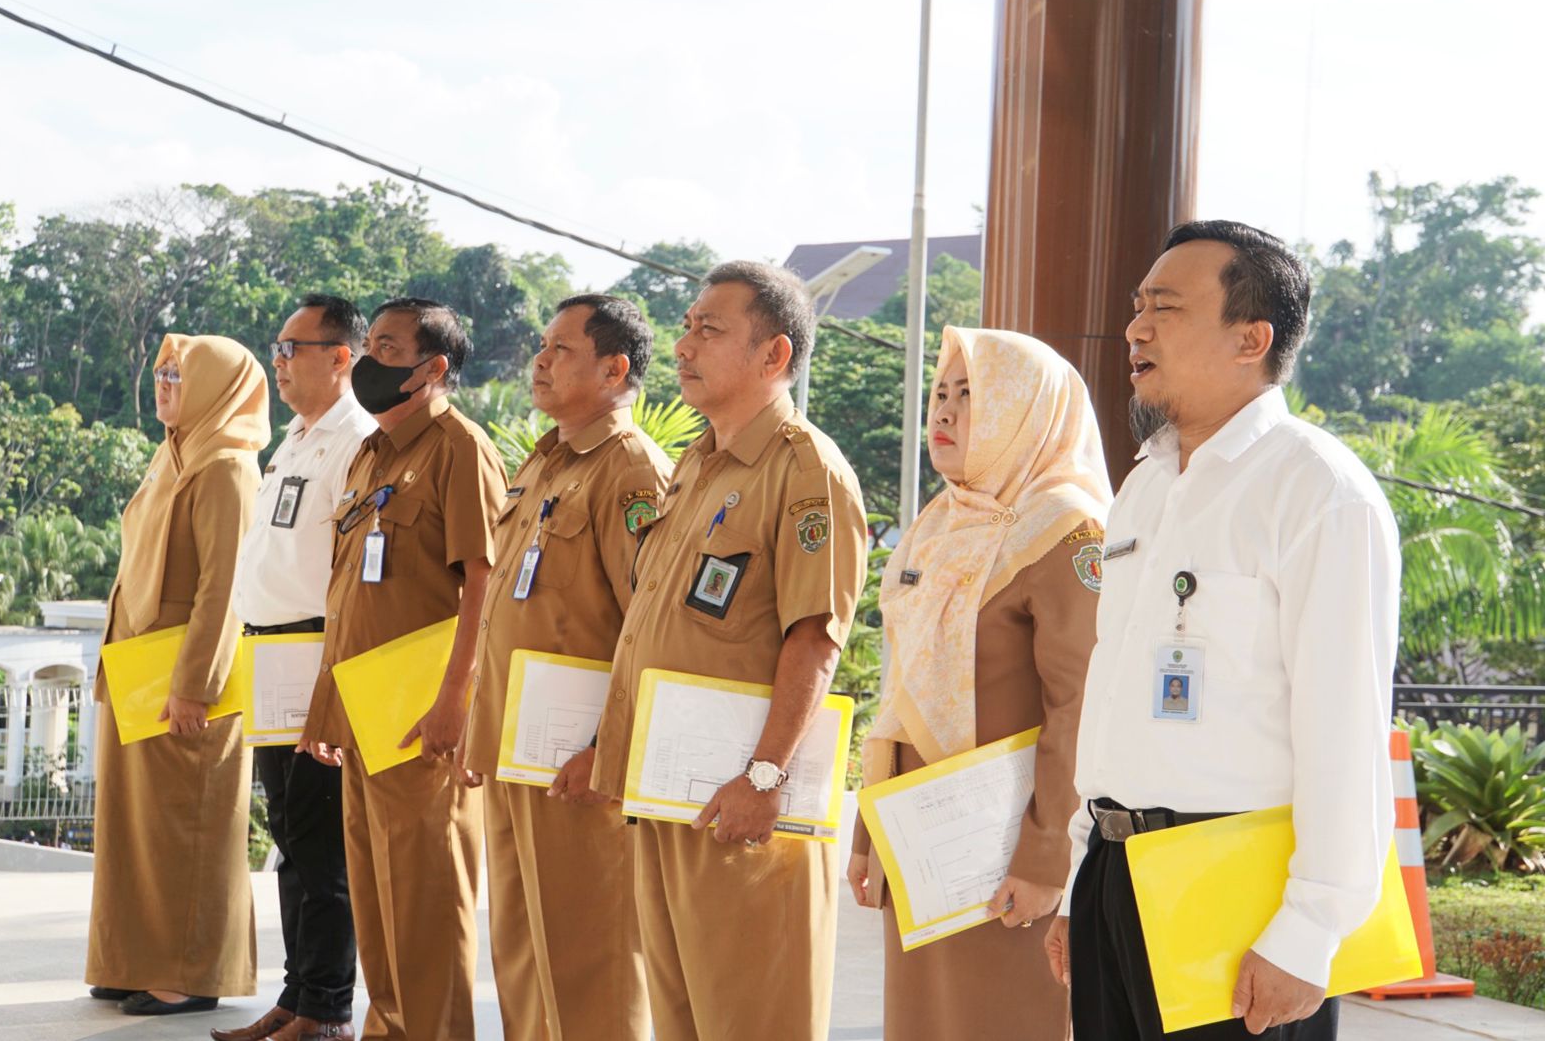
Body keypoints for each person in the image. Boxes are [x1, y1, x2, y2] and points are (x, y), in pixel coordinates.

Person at [1045, 221, 1401, 1039]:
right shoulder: (1142, 490)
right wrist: (1078, 883)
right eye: (1137, 308)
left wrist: (1308, 933)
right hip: (1113, 876)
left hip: (1238, 899)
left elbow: (1344, 733)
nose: (1135, 329)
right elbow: (1111, 700)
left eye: (1164, 308)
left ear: (1252, 338)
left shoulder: (1316, 490)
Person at [588, 261, 868, 1040]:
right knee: (682, 1017)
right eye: (686, 326)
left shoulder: (805, 468)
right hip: (668, 793)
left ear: (773, 356)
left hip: (741, 800)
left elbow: (815, 638)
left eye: (709, 330)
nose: (683, 345)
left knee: (751, 1018)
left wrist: (765, 775)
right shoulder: (698, 465)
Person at [847, 326, 1110, 1039]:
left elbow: (1078, 708)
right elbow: (898, 694)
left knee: (1002, 1019)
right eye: (941, 393)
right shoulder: (939, 525)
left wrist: (1046, 854)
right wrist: (871, 832)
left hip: (1004, 856)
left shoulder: (1065, 529)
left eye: (973, 396)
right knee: (924, 1021)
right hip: (924, 840)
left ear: (1026, 411)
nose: (945, 413)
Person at [459, 294, 672, 1041]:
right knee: (522, 949)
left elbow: (649, 625)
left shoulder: (633, 469)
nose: (540, 362)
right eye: (541, 348)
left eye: (561, 351)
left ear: (615, 370)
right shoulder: (545, 459)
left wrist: (604, 749)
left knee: (593, 957)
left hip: (580, 760)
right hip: (518, 748)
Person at [298, 298, 508, 1041]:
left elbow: (484, 580)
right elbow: (347, 591)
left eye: (388, 347)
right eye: (369, 346)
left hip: (424, 716)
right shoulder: (370, 452)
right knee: (379, 898)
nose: (367, 361)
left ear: (432, 367)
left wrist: (460, 699)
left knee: (425, 899)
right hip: (363, 711)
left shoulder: (459, 446)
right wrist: (327, 710)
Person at [85, 334, 269, 1016]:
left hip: (185, 679)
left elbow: (225, 589)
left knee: (189, 824)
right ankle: (133, 957)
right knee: (137, 826)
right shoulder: (175, 454)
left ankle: (191, 973)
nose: (165, 383)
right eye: (161, 372)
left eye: (179, 374)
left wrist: (197, 682)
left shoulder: (227, 468)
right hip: (139, 669)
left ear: (218, 387)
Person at [213, 295, 376, 1041]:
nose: (279, 361)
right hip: (272, 648)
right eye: (275, 349)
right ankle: (296, 994)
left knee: (320, 840)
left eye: (293, 348)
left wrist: (333, 673)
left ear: (342, 355)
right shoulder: (297, 438)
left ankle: (328, 1009)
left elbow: (351, 569)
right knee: (288, 837)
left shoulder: (357, 440)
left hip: (317, 650)